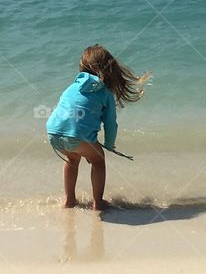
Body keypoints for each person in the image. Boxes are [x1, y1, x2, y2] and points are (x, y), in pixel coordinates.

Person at [46, 44, 150, 210]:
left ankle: (69, 200)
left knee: (72, 159)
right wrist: (109, 145)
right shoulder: (105, 93)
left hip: (53, 132)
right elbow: (110, 124)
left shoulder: (71, 87)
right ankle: (98, 203)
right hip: (77, 135)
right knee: (98, 160)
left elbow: (67, 111)